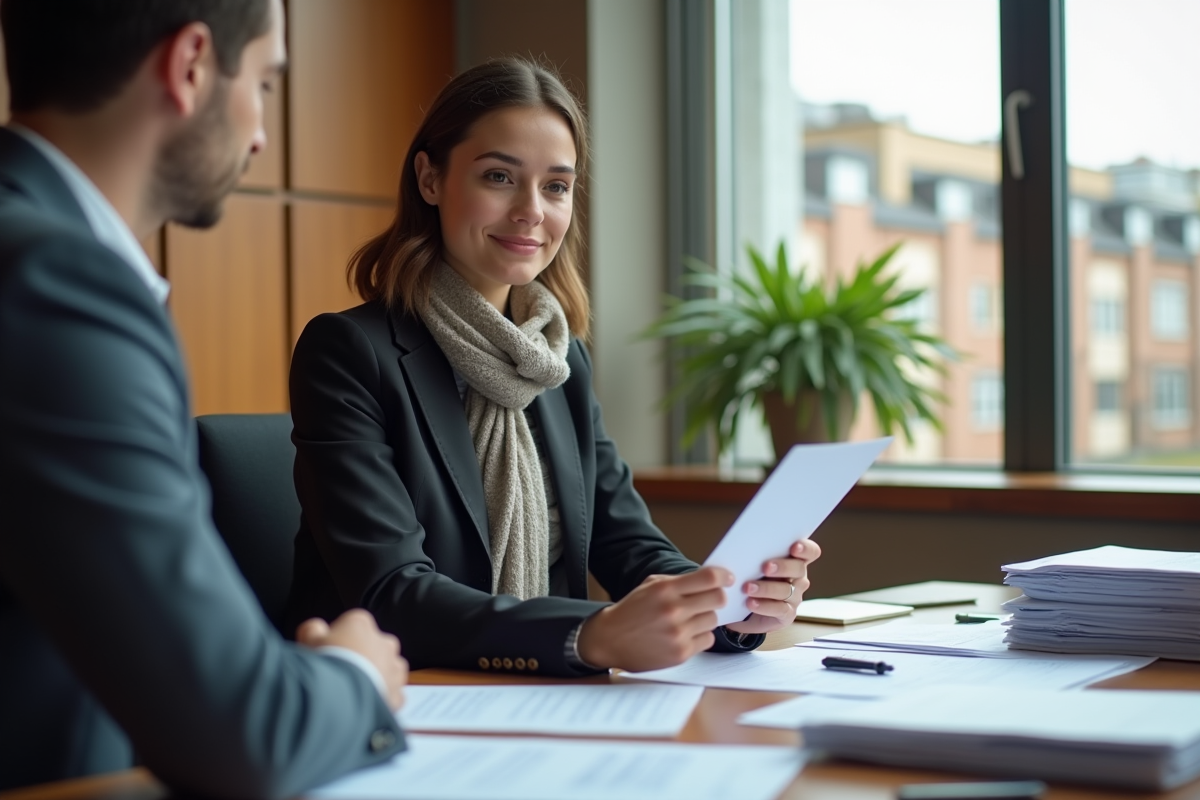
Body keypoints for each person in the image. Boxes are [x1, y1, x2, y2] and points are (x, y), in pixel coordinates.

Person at [286, 57, 822, 678]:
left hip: (548, 693)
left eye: (557, 186)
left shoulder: (558, 358)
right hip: (399, 693)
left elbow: (626, 541)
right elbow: (392, 594)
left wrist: (727, 606)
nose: (531, 211)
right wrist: (588, 634)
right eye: (498, 176)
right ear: (430, 179)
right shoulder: (350, 351)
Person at [0, 1, 409, 795]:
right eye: (262, 81)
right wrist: (356, 674)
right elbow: (244, 733)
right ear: (190, 66)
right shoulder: (59, 287)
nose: (261, 134)